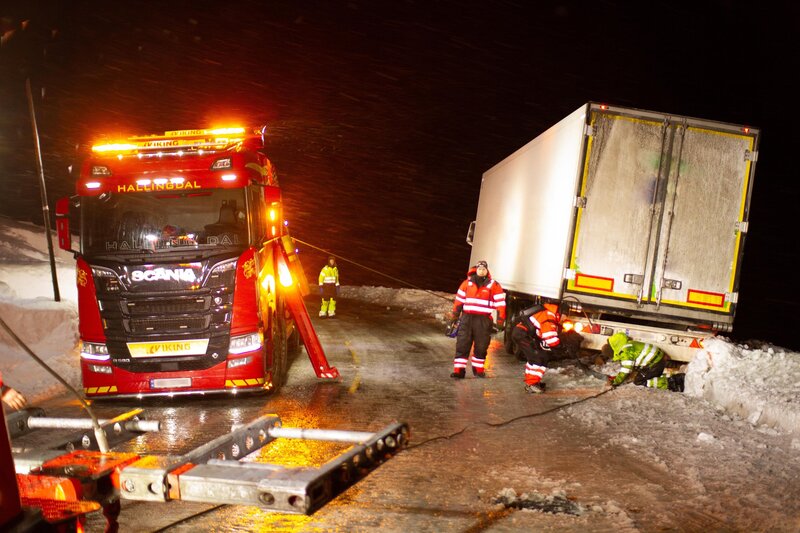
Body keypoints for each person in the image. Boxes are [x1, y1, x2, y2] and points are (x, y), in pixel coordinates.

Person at [450, 260, 506, 379]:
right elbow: (459, 301)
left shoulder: (494, 285)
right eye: (479, 269)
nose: (481, 271)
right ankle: (459, 371)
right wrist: (454, 316)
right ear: (476, 270)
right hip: (467, 319)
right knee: (462, 344)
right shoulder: (466, 283)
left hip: (483, 320)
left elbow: (501, 304)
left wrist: (501, 321)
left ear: (487, 270)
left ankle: (478, 370)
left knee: (481, 346)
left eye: (483, 269)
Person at [606, 332, 685, 391]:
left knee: (638, 380)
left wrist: (616, 382)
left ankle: (671, 383)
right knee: (642, 373)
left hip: (655, 364)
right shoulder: (630, 344)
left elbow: (626, 370)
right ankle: (674, 378)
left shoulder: (625, 351)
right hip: (658, 360)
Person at [512, 303, 561, 394]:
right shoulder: (549, 316)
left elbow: (540, 332)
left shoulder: (547, 312)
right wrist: (559, 346)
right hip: (523, 334)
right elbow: (549, 336)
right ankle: (531, 385)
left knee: (540, 357)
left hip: (522, 333)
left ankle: (532, 382)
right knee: (537, 358)